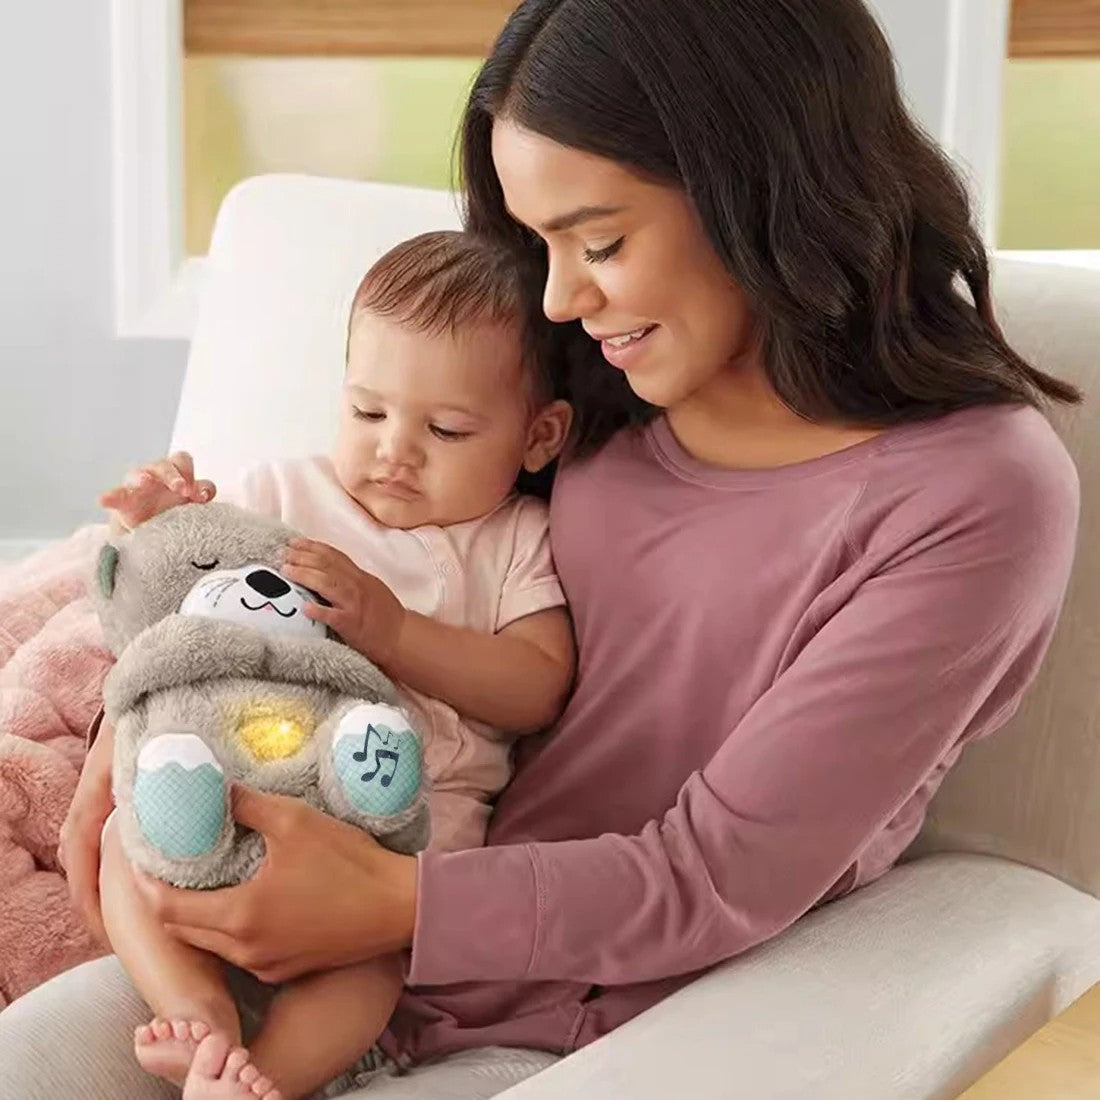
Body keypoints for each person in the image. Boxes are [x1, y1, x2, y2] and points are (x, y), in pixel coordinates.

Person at [0, 0, 1081, 1097]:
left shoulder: (972, 494)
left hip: (564, 1023)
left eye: (600, 240)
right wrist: (137, 731)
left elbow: (714, 869)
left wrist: (389, 907)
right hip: (301, 912)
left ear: (761, 180)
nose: (561, 295)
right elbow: (348, 552)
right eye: (539, 243)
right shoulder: (587, 382)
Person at [91, 230, 576, 1100]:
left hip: (383, 838)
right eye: (367, 412)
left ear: (539, 436)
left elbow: (537, 686)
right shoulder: (285, 494)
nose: (395, 449)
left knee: (372, 969)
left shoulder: (511, 542)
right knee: (117, 845)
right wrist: (156, 527)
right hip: (231, 784)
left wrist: (393, 632)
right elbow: (180, 610)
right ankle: (198, 1013)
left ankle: (258, 1082)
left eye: (447, 428)